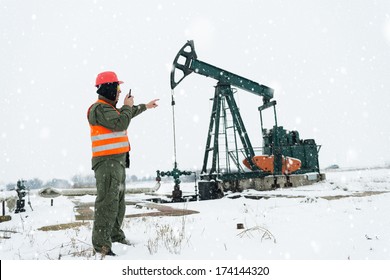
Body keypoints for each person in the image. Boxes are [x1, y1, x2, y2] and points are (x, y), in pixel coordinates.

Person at [87, 71, 159, 256]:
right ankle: (102, 246)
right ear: (109, 88)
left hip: (117, 163)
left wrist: (145, 106)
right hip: (107, 164)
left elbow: (127, 113)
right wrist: (128, 106)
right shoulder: (99, 109)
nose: (119, 92)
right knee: (107, 204)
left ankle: (115, 236)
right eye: (118, 88)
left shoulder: (111, 109)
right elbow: (121, 123)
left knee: (118, 203)